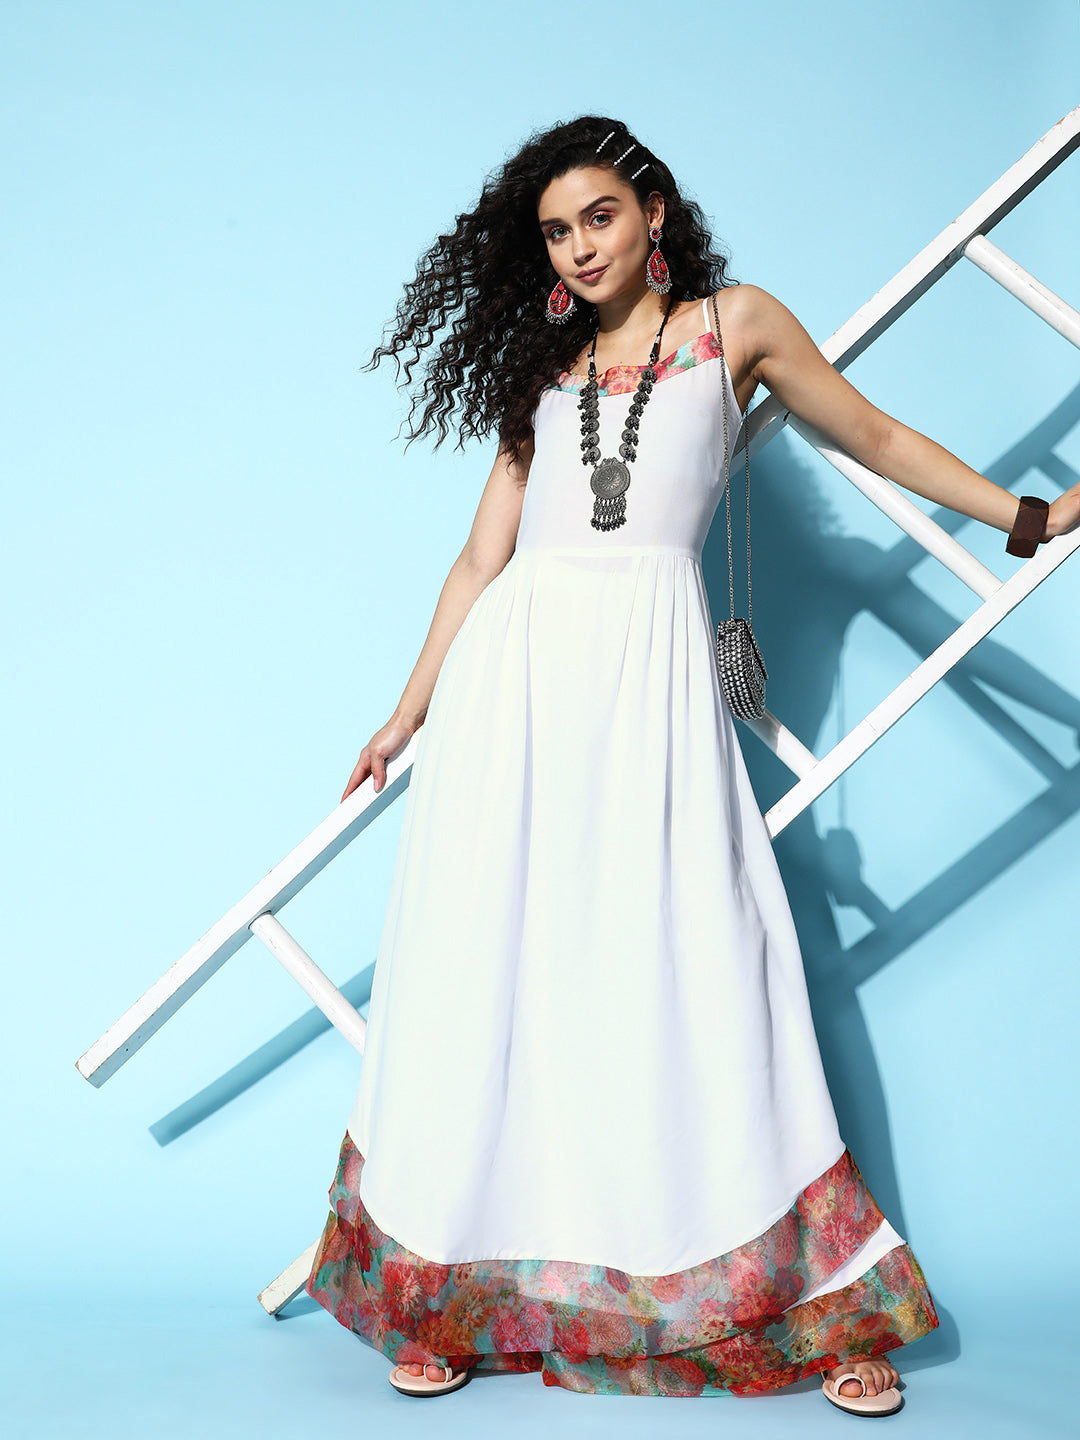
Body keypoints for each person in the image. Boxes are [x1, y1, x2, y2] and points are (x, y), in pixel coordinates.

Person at [304, 115, 1080, 1412]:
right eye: (557, 230)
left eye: (599, 216)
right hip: (512, 696)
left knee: (706, 970)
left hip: (651, 689)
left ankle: (819, 1310)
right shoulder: (543, 369)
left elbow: (876, 436)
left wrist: (1032, 517)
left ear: (653, 211)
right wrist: (405, 714)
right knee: (482, 980)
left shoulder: (737, 326)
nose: (579, 246)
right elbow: (483, 557)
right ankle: (441, 1295)